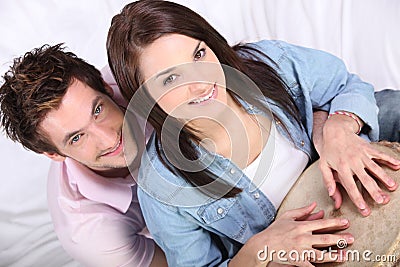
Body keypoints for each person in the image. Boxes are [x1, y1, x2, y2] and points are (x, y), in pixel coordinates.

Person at [106, 1, 400, 266]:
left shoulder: (266, 61)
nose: (201, 82)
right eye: (171, 78)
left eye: (198, 54)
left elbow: (345, 84)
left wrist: (339, 127)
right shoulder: (162, 187)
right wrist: (260, 248)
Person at [0, 44, 167, 267]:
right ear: (53, 154)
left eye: (97, 110)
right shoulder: (93, 234)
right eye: (77, 138)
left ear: (107, 87)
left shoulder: (140, 70)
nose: (110, 139)